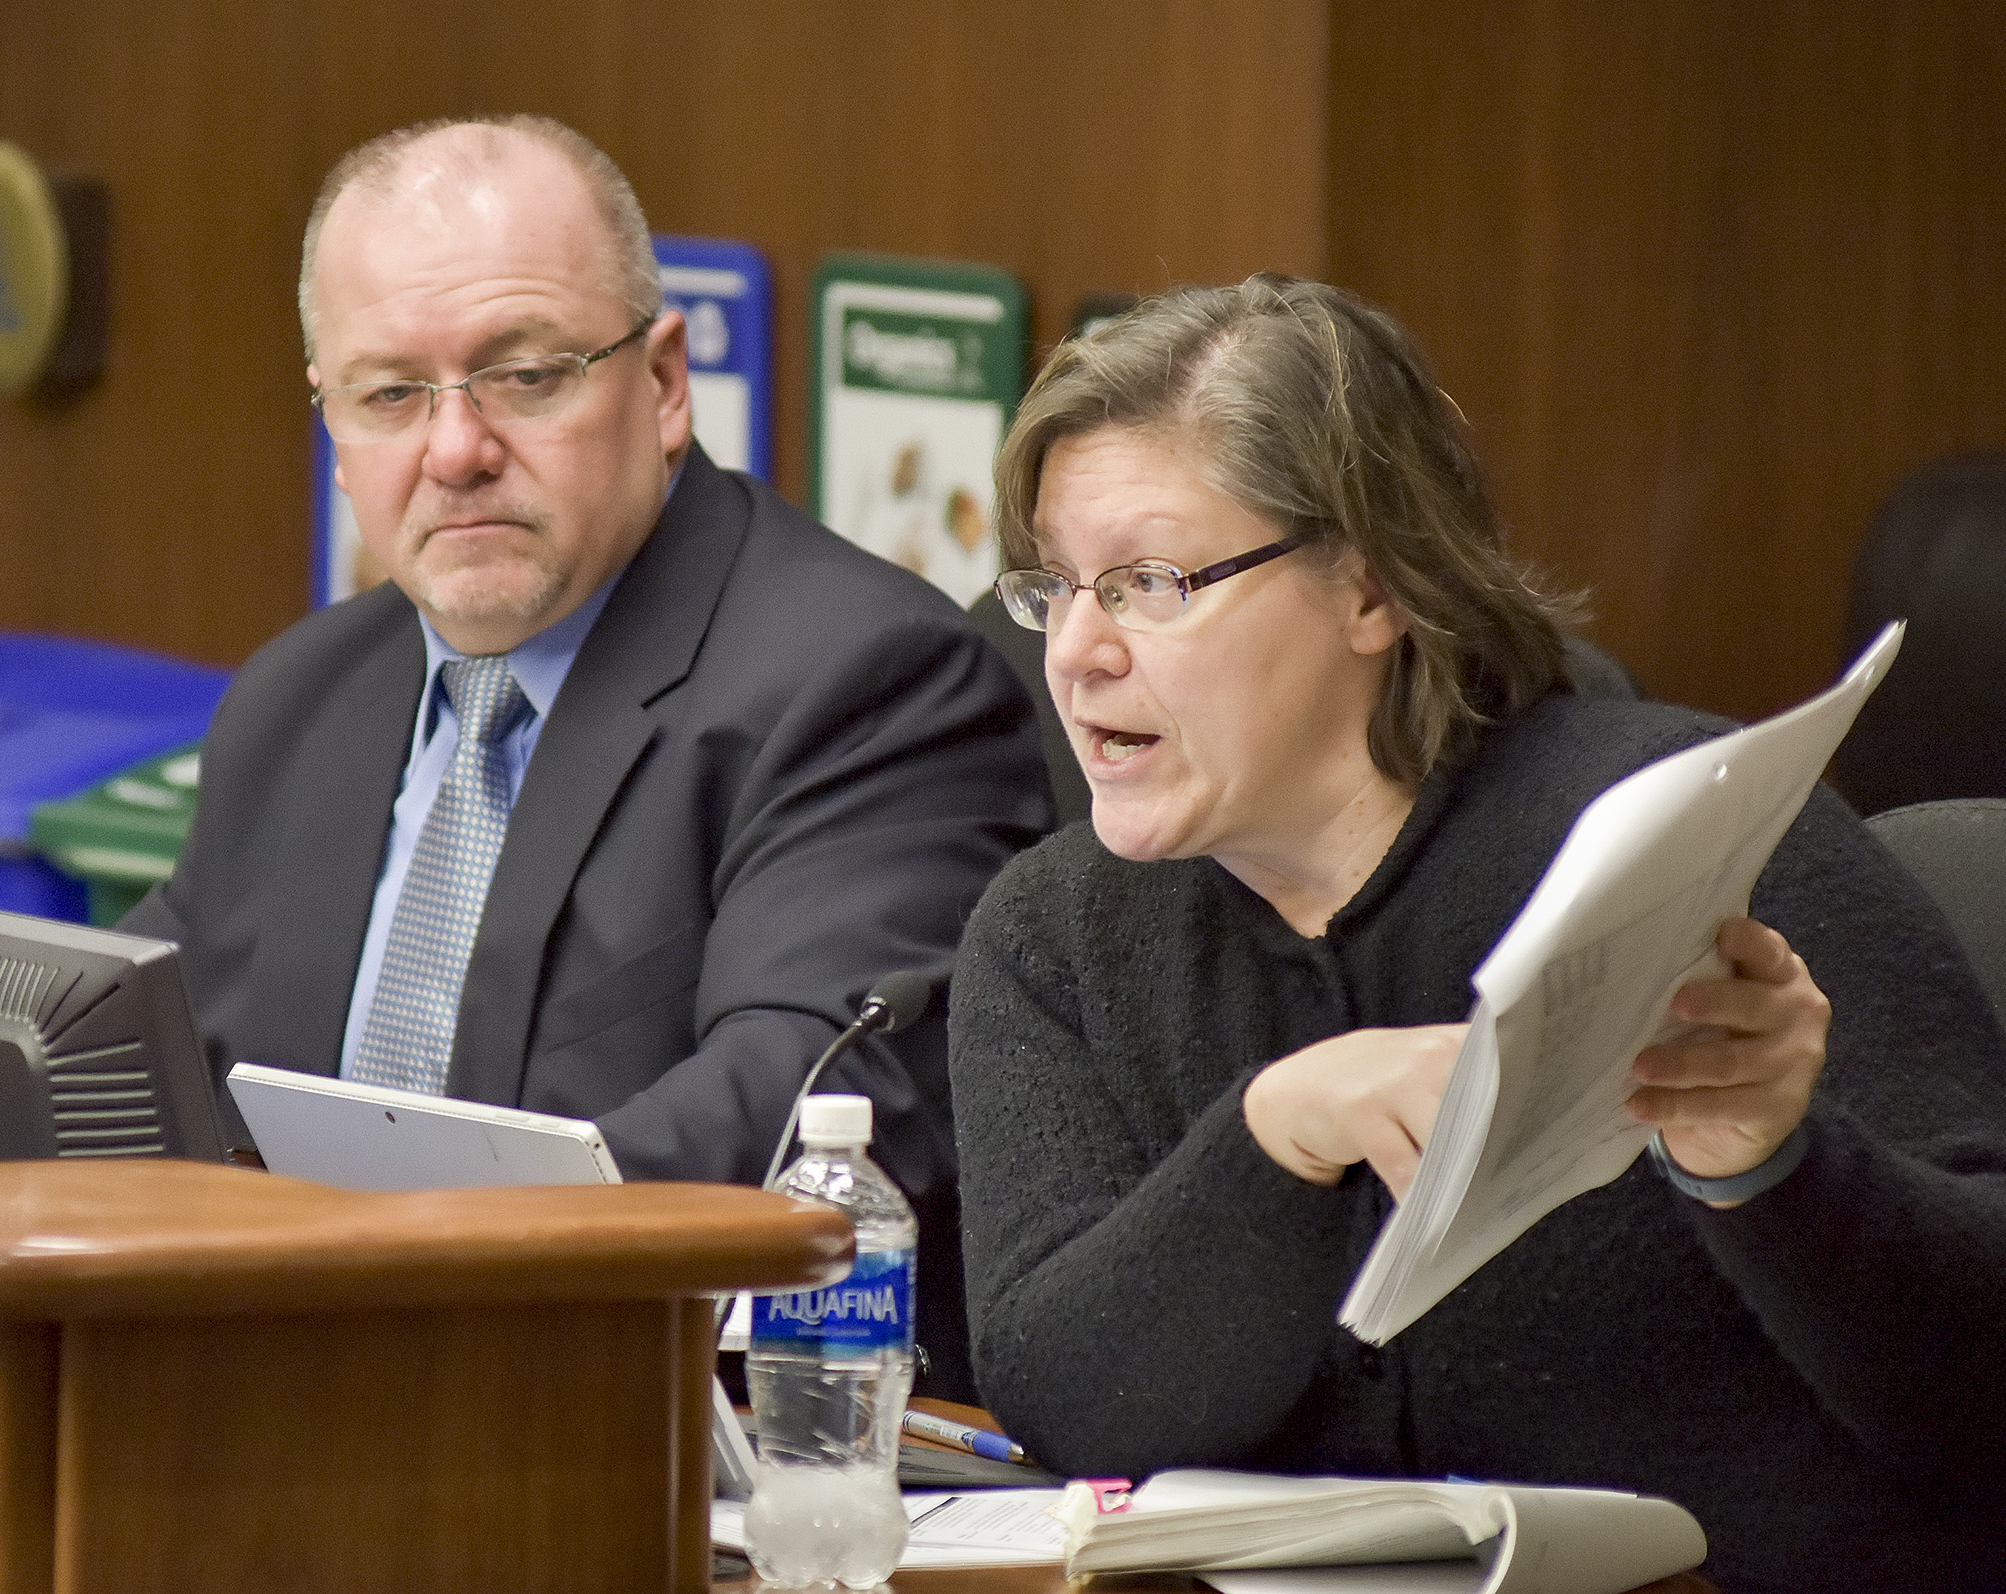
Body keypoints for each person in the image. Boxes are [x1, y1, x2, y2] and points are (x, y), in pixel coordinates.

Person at [947, 275, 2006, 1590]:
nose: (1079, 652)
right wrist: (1278, 1130)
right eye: (1058, 587)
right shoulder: (1055, 938)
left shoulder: (1703, 833)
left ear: (1370, 587)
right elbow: (1070, 1401)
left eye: (1151, 581)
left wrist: (1772, 1167)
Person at [125, 114, 1053, 1396]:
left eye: (526, 374)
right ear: (335, 428)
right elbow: (122, 1055)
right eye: (391, 393)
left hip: (620, 1444)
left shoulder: (864, 681)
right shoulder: (303, 698)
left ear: (664, 383)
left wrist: (378, 1256)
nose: (456, 450)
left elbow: (803, 1110)